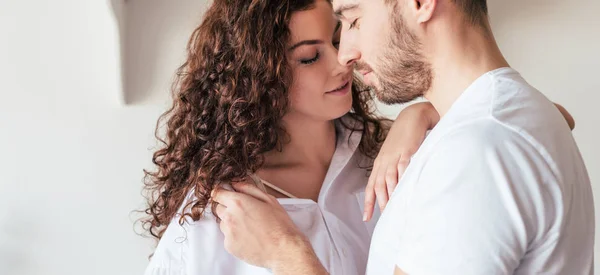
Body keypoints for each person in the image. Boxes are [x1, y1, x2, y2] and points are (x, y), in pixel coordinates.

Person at [211, 0, 593, 274]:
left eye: (355, 20)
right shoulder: (510, 117)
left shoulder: (477, 153)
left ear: (421, 3)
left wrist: (287, 255)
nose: (346, 54)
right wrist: (424, 114)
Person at [141, 0, 444, 274]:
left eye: (339, 39)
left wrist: (419, 114)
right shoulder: (221, 210)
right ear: (259, 77)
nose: (343, 61)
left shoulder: (398, 150)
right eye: (310, 57)